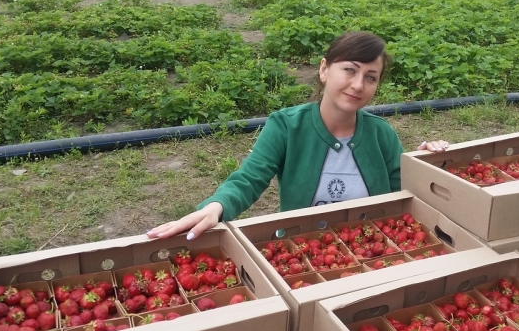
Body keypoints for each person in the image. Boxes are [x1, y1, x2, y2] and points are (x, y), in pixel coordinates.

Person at [147, 31, 448, 241]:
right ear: (324, 70)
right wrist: (216, 207)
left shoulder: (381, 134)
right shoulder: (287, 126)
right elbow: (250, 178)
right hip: (302, 248)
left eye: (370, 77)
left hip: (369, 247)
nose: (358, 85)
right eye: (349, 70)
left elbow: (403, 196)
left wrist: (425, 163)